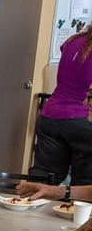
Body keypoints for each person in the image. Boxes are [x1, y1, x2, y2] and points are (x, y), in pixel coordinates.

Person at [30, 26, 92, 187]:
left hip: (50, 116)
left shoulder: (73, 41)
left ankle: (22, 207)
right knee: (84, 185)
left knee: (43, 181)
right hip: (83, 121)